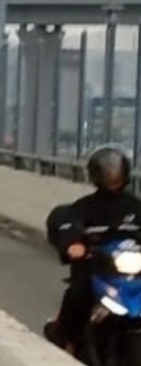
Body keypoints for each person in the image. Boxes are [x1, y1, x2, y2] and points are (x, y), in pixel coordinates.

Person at [44, 146, 141, 353]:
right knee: (78, 294)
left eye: (115, 169)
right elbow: (67, 224)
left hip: (132, 269)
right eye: (106, 171)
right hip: (96, 265)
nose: (111, 175)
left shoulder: (135, 206)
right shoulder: (84, 207)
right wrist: (74, 245)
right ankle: (68, 339)